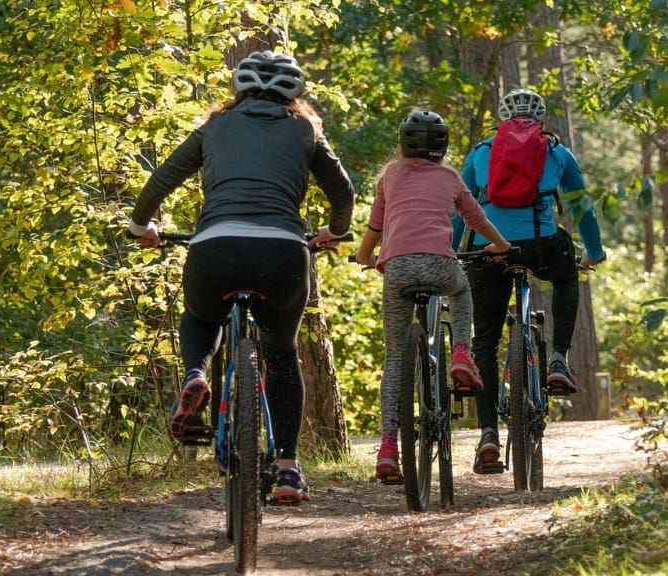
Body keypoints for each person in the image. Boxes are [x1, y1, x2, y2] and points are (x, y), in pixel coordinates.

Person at [128, 50, 355, 504]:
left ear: (239, 87)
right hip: (283, 252)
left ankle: (196, 373)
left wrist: (141, 227)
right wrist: (335, 231)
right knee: (283, 355)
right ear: (295, 93)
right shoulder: (305, 129)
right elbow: (342, 191)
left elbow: (162, 179)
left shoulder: (214, 126)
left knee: (201, 315)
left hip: (216, 246)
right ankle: (288, 468)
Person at [453, 89, 606, 474]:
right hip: (542, 247)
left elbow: (459, 208)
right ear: (540, 118)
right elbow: (581, 207)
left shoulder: (481, 152)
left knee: (484, 340)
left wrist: (454, 250)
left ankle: (488, 434)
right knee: (567, 276)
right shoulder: (557, 152)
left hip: (490, 250)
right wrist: (594, 250)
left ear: (503, 118)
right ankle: (557, 359)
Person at [355, 110, 511, 481]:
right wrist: (501, 245)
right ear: (442, 147)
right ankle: (460, 352)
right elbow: (476, 219)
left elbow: (376, 225)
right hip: (442, 266)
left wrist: (365, 257)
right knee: (461, 291)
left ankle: (389, 447)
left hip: (398, 270)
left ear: (403, 142)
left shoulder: (390, 176)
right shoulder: (450, 177)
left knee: (395, 359)